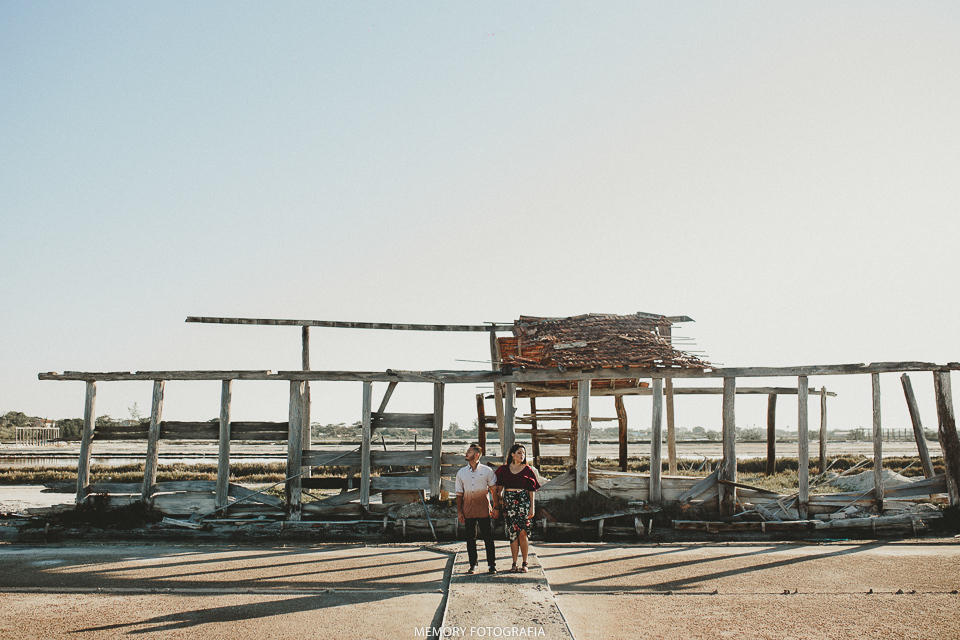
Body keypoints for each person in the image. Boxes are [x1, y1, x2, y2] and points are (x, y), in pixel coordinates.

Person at [495, 443, 541, 573]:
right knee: (512, 534)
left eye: (524, 453)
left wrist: (533, 507)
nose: (522, 455)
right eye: (519, 452)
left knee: (523, 533)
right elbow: (498, 488)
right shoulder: (503, 469)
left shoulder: (527, 470)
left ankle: (525, 563)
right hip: (509, 502)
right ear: (512, 454)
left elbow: (532, 490)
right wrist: (498, 504)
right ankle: (514, 563)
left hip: (523, 502)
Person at [455, 443, 499, 574]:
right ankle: (473, 565)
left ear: (476, 455)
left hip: (484, 509)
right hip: (468, 510)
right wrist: (459, 511)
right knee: (470, 538)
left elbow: (494, 490)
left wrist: (496, 507)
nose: (466, 453)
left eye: (468, 452)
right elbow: (459, 494)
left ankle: (492, 565)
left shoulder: (487, 471)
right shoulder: (461, 473)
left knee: (488, 538)